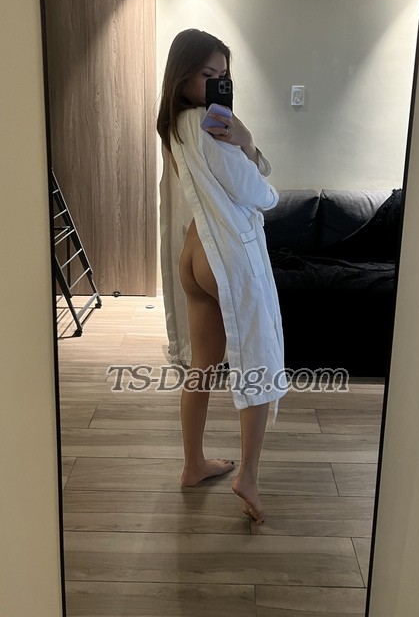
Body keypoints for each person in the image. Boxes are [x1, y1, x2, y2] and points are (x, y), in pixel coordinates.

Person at [157, 28, 286, 523]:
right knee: (258, 361)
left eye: (223, 76)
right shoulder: (211, 129)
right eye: (207, 74)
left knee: (202, 366)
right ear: (183, 75)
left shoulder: (173, 124)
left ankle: (193, 465)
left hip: (193, 256)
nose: (216, 84)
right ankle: (247, 475)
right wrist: (247, 144)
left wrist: (242, 141)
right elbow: (261, 194)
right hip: (227, 256)